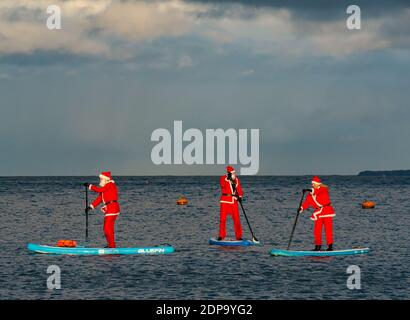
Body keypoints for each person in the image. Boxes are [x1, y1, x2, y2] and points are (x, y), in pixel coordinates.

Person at [298, 176, 335, 251]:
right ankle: (317, 246)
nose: (313, 185)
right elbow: (306, 203)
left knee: (328, 230)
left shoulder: (323, 189)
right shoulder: (310, 194)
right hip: (318, 213)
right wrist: (301, 208)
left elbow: (316, 191)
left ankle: (330, 247)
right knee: (317, 230)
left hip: (327, 211)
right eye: (312, 184)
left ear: (318, 184)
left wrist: (308, 190)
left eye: (314, 183)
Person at [85, 172, 120, 248]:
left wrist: (90, 186)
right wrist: (90, 207)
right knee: (107, 228)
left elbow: (99, 190)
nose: (100, 180)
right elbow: (99, 199)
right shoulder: (105, 187)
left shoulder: (110, 185)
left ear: (105, 179)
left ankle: (112, 246)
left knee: (107, 228)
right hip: (110, 209)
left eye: (101, 179)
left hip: (112, 208)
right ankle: (111, 245)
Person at [217, 166, 244, 241]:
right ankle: (221, 236)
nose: (234, 174)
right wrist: (227, 179)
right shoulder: (223, 178)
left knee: (237, 219)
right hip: (225, 201)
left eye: (234, 173)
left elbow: (239, 189)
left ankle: (238, 236)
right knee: (222, 219)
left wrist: (240, 197)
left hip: (233, 201)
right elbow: (222, 185)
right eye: (233, 173)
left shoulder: (237, 180)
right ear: (229, 173)